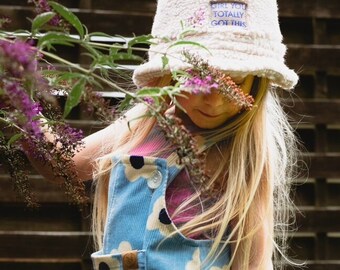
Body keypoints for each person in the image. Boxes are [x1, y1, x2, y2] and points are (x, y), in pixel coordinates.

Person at [36, 0, 300, 269]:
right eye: (200, 77)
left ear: (256, 83)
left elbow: (255, 263)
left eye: (235, 81)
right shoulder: (145, 122)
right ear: (169, 72)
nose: (214, 101)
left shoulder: (241, 154)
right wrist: (18, 106)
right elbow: (66, 164)